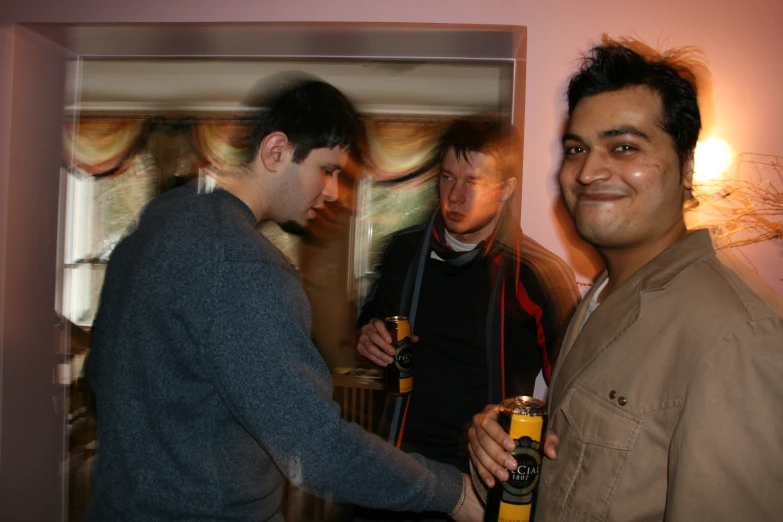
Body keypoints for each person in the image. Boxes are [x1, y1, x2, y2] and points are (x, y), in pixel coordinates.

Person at [85, 76, 482, 522]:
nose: (332, 192)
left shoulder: (161, 220)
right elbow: (315, 450)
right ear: (276, 152)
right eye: (327, 170)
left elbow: (99, 372)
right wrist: (451, 491)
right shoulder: (244, 267)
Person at [468, 36, 783, 521]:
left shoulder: (735, 337)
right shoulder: (600, 293)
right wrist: (511, 430)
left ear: (688, 169)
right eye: (577, 148)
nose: (589, 170)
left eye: (624, 146)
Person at [354, 119, 579, 521]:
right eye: (446, 177)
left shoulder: (538, 273)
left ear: (505, 189)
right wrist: (368, 335)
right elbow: (373, 319)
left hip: (481, 486)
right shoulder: (404, 251)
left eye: (472, 182)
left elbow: (575, 392)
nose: (453, 196)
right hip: (394, 470)